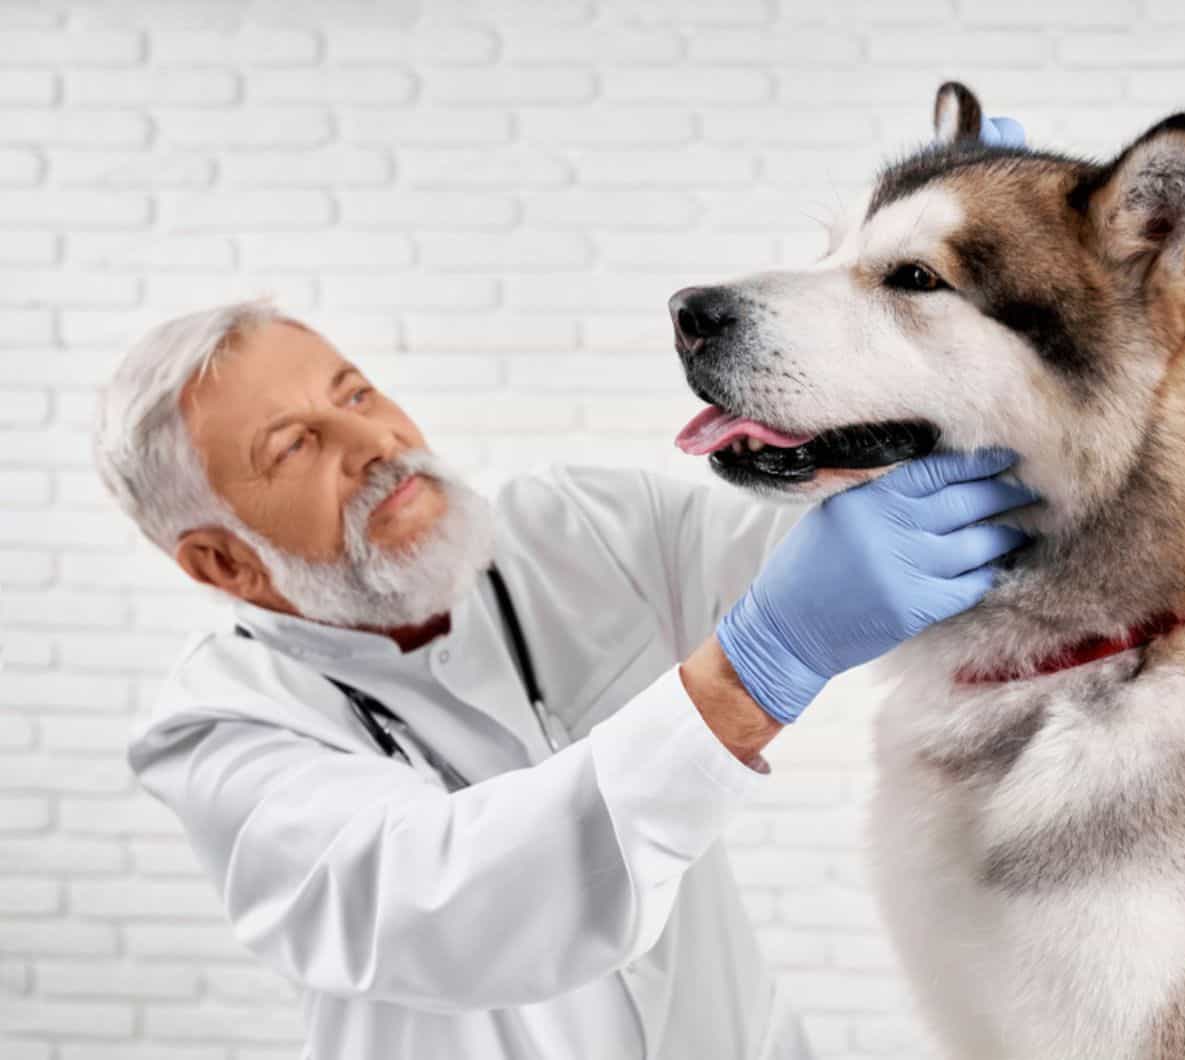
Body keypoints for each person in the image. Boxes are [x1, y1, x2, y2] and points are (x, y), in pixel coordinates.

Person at [91, 144, 1036, 1060]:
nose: (370, 438)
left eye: (356, 390)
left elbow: (838, 557)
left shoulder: (576, 527)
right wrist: (758, 667)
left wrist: (983, 321)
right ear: (222, 564)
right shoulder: (223, 733)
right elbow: (445, 905)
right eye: (294, 444)